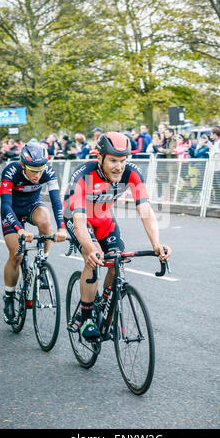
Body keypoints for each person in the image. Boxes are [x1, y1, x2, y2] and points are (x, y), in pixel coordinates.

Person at [63, 131, 172, 341]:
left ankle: (104, 305)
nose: (119, 166)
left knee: (117, 260)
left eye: (123, 160)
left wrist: (157, 244)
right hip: (77, 216)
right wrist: (92, 248)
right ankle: (86, 316)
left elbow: (146, 211)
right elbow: (78, 220)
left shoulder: (132, 173)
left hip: (103, 218)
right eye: (113, 160)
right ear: (99, 158)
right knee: (93, 258)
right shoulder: (83, 174)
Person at [0, 142, 67, 325]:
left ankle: (42, 261)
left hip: (31, 207)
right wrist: (19, 229)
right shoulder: (10, 171)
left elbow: (56, 201)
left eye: (40, 170)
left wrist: (61, 227)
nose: (37, 175)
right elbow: (5, 205)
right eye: (32, 170)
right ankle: (9, 296)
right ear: (23, 165)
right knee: (16, 255)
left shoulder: (48, 172)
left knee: (45, 222)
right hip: (12, 211)